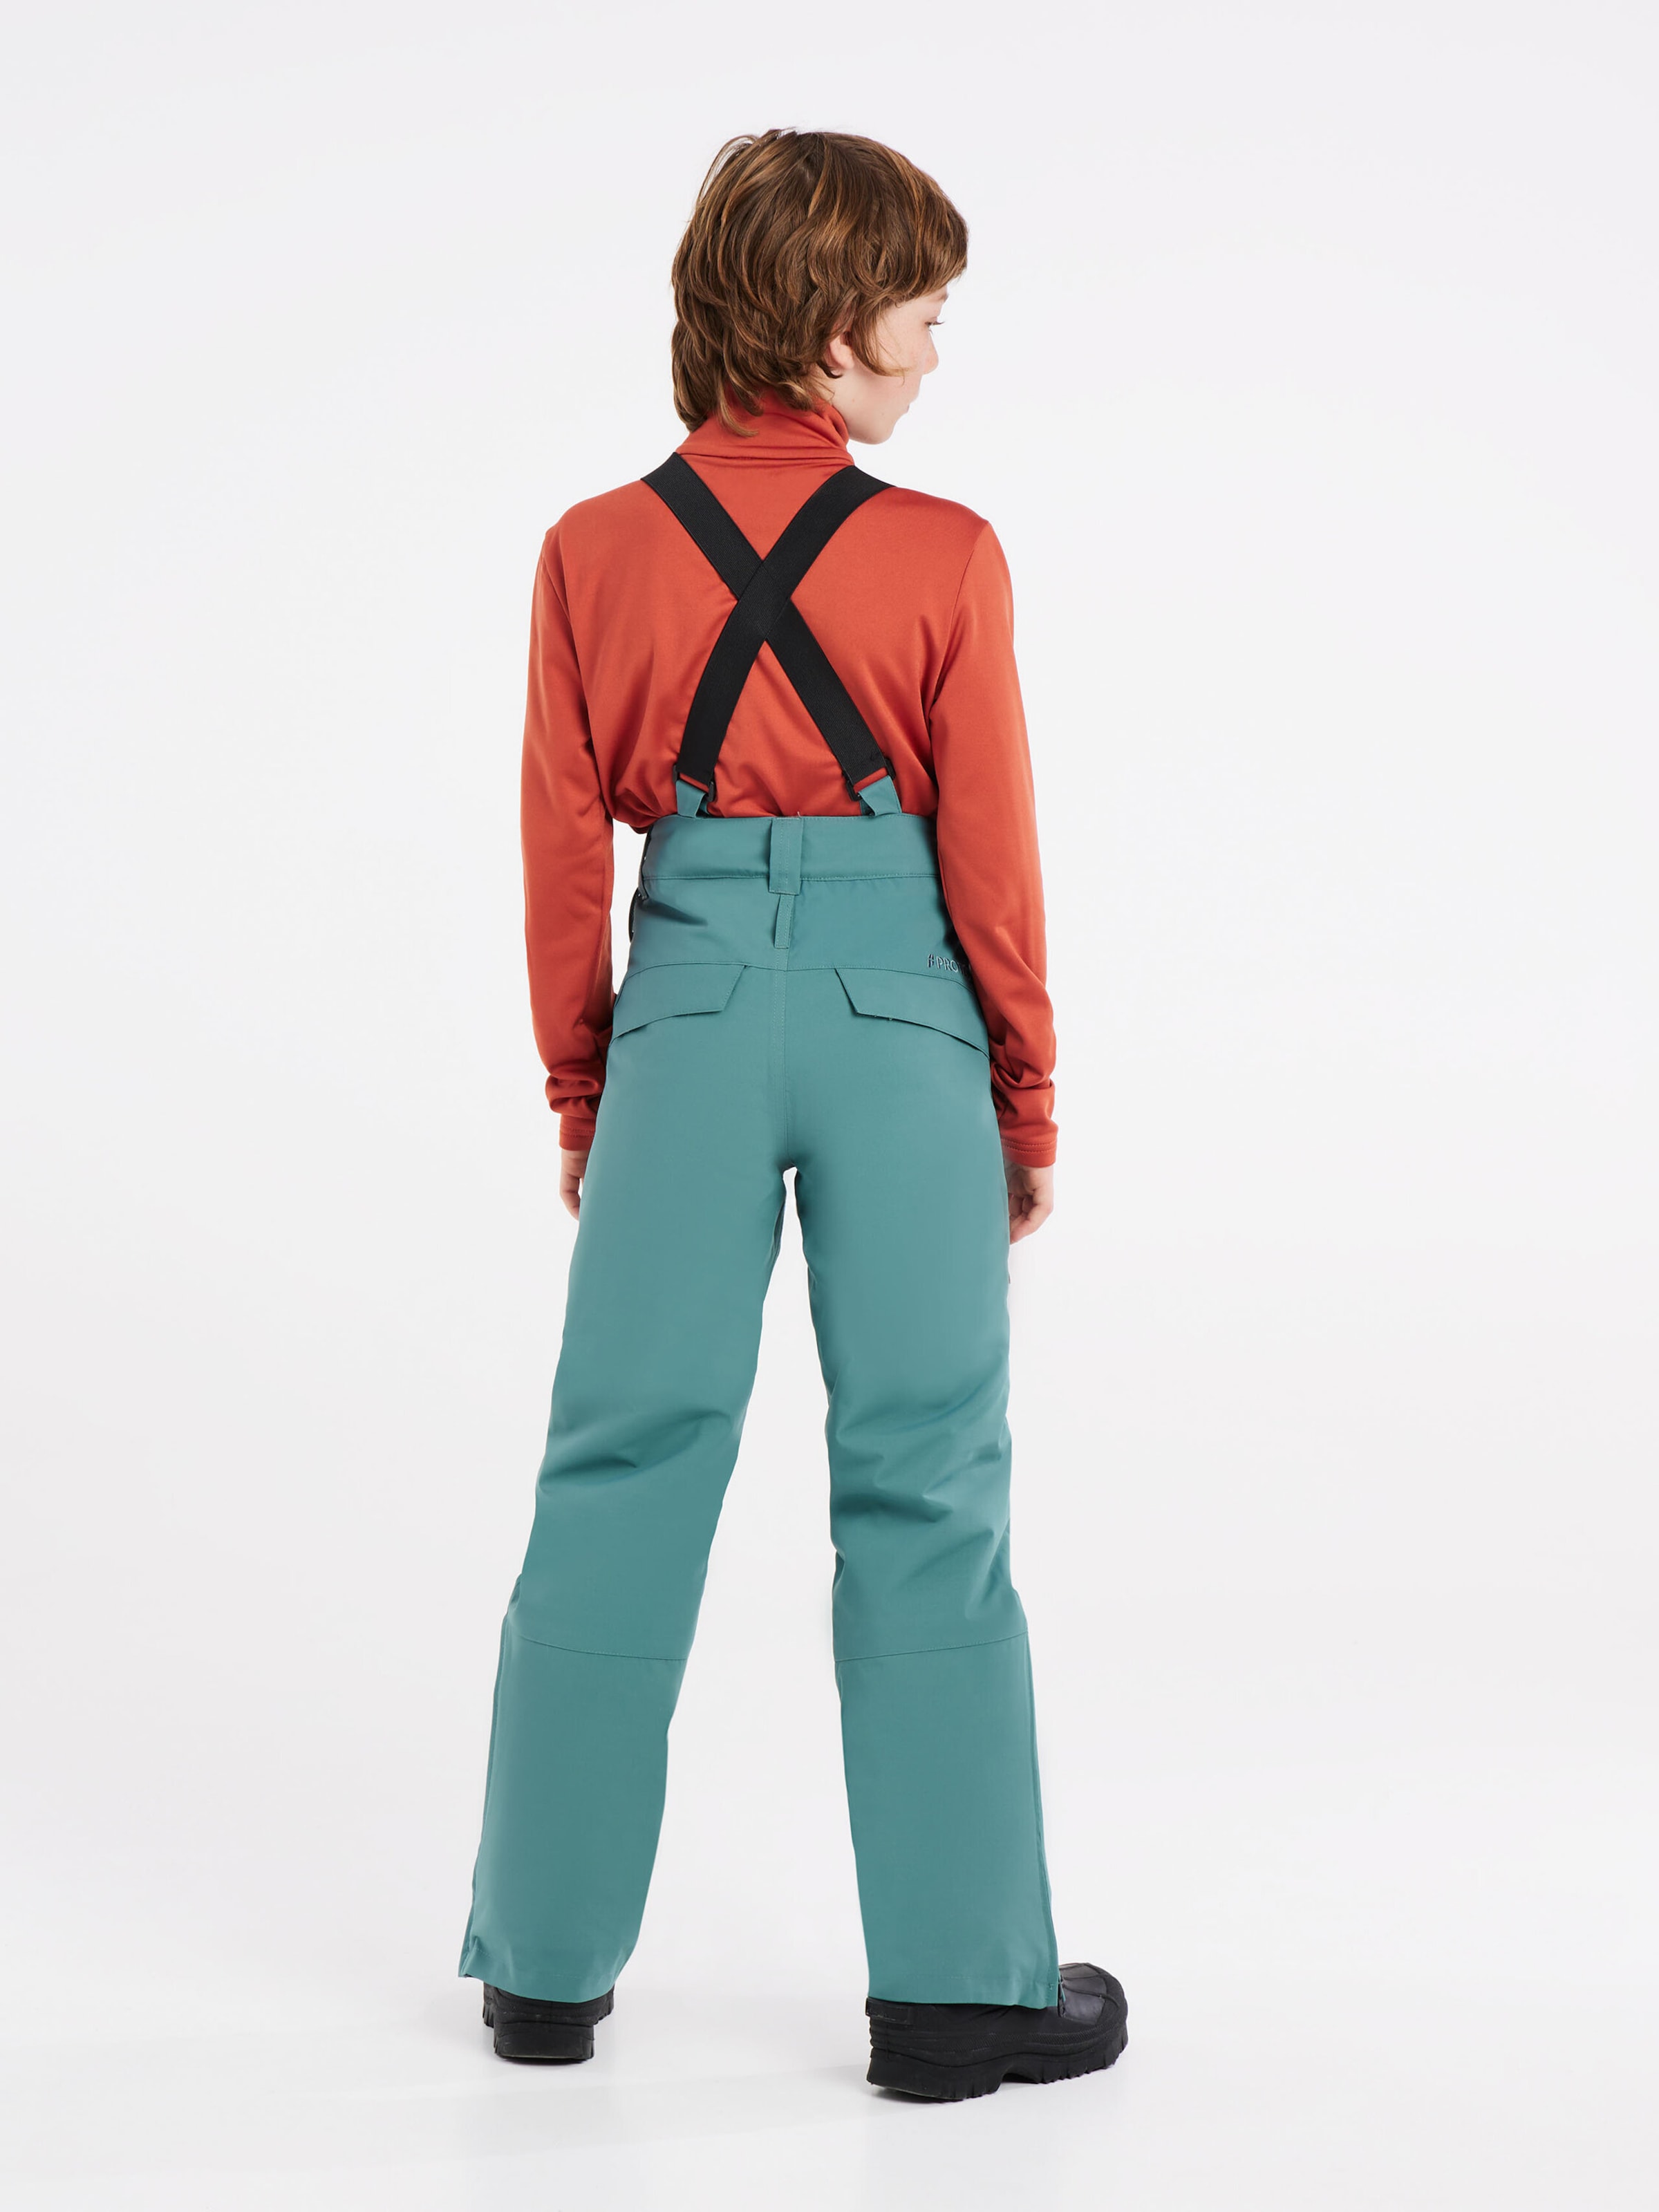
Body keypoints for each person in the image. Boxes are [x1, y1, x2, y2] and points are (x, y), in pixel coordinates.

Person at [458, 128, 1127, 2102]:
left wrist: (586, 1082)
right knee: (924, 1477)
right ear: (835, 328)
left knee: (619, 1463)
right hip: (897, 1007)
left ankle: (542, 1975)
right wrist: (1025, 1092)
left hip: (679, 1002)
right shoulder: (945, 554)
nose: (933, 348)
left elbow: (560, 849)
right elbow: (991, 856)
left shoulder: (590, 548)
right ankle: (957, 1996)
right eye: (923, 309)